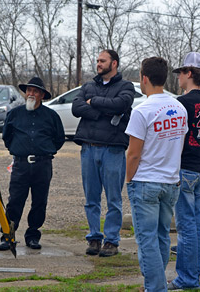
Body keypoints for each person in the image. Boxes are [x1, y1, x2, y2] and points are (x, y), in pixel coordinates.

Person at [126, 57, 188, 291]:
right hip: (170, 182)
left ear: (144, 78)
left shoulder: (142, 110)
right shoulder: (179, 108)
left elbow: (133, 153)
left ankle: (155, 286)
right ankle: (156, 282)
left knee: (147, 239)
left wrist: (129, 180)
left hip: (146, 182)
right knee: (162, 236)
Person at [72, 49, 135, 257]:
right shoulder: (88, 85)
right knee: (91, 198)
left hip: (113, 150)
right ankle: (94, 238)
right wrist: (104, 112)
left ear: (114, 63)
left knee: (113, 199)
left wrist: (94, 103)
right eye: (97, 60)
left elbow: (121, 104)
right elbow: (76, 108)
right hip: (88, 148)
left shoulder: (126, 86)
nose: (98, 64)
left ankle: (111, 241)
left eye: (102, 60)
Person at [0, 77, 65, 251]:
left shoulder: (51, 116)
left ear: (42, 95)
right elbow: (7, 137)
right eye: (28, 91)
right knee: (15, 201)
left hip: (43, 164)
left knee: (39, 201)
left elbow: (59, 139)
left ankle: (33, 235)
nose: (31, 94)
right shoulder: (14, 114)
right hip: (21, 165)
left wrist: (45, 150)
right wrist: (18, 150)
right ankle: (8, 236)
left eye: (35, 91)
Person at [168, 52, 200, 291]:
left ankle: (186, 279)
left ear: (190, 73)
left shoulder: (182, 103)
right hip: (199, 168)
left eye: (181, 72)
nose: (179, 77)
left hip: (184, 168)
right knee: (195, 226)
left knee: (186, 228)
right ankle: (191, 277)